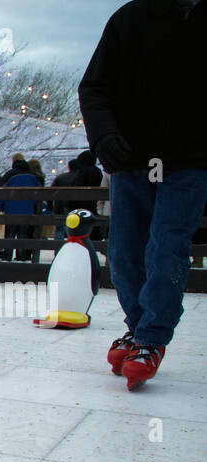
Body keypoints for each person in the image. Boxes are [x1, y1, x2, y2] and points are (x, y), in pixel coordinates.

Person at [80, 0, 207, 389]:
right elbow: (95, 87)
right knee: (122, 254)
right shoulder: (130, 19)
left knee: (167, 248)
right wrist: (104, 136)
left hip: (188, 161)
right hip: (133, 161)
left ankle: (151, 337)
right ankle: (138, 329)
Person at [0, 154, 40, 261]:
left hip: (10, 209)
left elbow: (3, 191)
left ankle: (7, 255)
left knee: (10, 234)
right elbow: (39, 192)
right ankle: (21, 255)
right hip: (27, 210)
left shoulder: (10, 175)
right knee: (22, 234)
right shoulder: (33, 177)